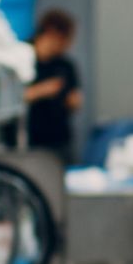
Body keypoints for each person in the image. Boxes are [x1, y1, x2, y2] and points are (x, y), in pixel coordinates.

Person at [25, 9, 83, 158]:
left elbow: (74, 98)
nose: (68, 44)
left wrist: (73, 101)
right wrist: (42, 91)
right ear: (52, 33)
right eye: (66, 38)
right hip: (28, 141)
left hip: (59, 141)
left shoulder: (65, 65)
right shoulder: (22, 57)